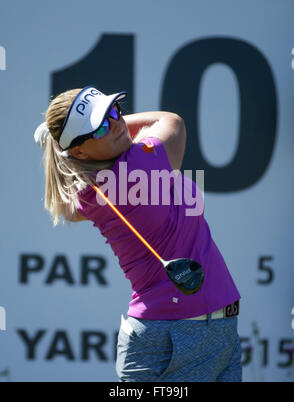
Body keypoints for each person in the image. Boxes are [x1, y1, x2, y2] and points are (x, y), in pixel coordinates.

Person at [34, 85, 242, 382]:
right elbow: (171, 121)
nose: (117, 123)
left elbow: (68, 205)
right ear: (78, 150)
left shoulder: (88, 194)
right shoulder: (142, 162)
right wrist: (59, 142)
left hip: (190, 331)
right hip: (181, 334)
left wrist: (63, 146)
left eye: (115, 111)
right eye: (101, 125)